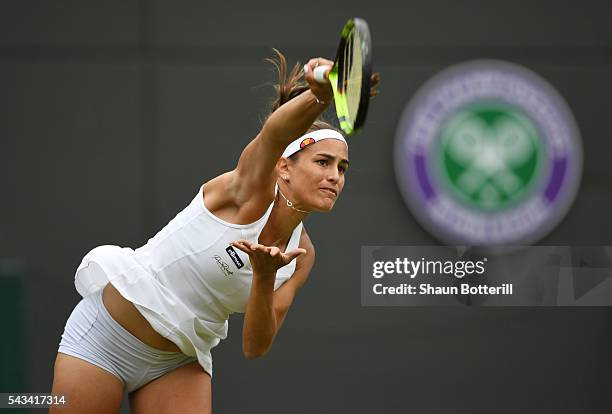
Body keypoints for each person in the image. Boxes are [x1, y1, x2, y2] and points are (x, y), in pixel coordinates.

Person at [50, 51, 377, 414]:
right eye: (323, 162)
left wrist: (265, 276)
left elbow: (256, 346)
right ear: (283, 167)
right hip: (105, 339)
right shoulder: (249, 192)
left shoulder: (302, 257)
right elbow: (273, 134)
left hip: (176, 363)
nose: (335, 176)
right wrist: (321, 95)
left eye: (343, 168)